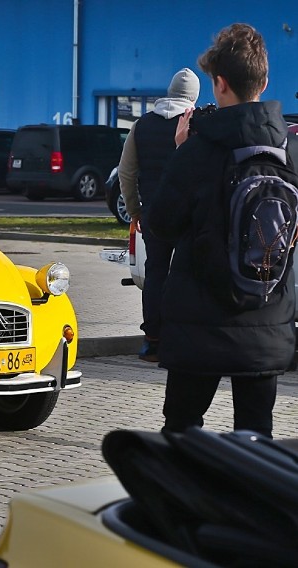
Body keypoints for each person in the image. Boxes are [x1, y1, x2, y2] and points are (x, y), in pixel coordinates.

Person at [149, 23, 298, 438]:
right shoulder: (291, 151)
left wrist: (178, 152)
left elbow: (160, 223)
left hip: (201, 323)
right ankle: (247, 502)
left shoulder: (197, 151)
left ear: (219, 84)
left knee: (182, 430)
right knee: (256, 435)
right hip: (267, 318)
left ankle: (181, 502)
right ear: (264, 81)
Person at [118, 68, 200, 362]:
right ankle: (182, 339)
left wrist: (134, 210)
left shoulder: (141, 125)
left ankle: (152, 341)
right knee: (188, 274)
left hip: (153, 212)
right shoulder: (197, 124)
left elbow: (126, 173)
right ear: (194, 96)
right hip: (190, 214)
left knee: (156, 274)